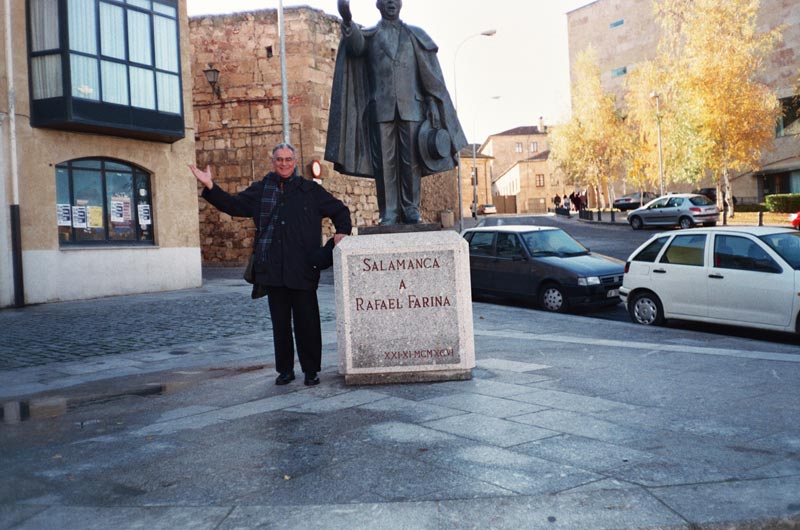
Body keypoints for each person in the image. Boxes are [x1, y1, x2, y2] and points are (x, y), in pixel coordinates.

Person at [189, 143, 352, 386]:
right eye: (279, 159)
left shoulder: (310, 190)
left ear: (295, 162)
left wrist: (340, 234)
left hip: (304, 269)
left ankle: (311, 370)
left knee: (307, 323)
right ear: (273, 162)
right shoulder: (261, 189)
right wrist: (210, 186)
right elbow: (234, 205)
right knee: (281, 325)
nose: (283, 163)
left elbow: (340, 211)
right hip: (273, 270)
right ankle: (285, 370)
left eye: (288, 159)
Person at [325, 0, 467, 225]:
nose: (391, 3)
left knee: (411, 162)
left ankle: (411, 209)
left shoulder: (414, 36)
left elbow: (427, 75)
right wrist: (347, 18)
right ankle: (389, 212)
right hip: (380, 110)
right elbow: (354, 46)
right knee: (385, 164)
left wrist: (432, 103)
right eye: (386, 0)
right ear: (378, 5)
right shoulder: (370, 36)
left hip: (412, 108)